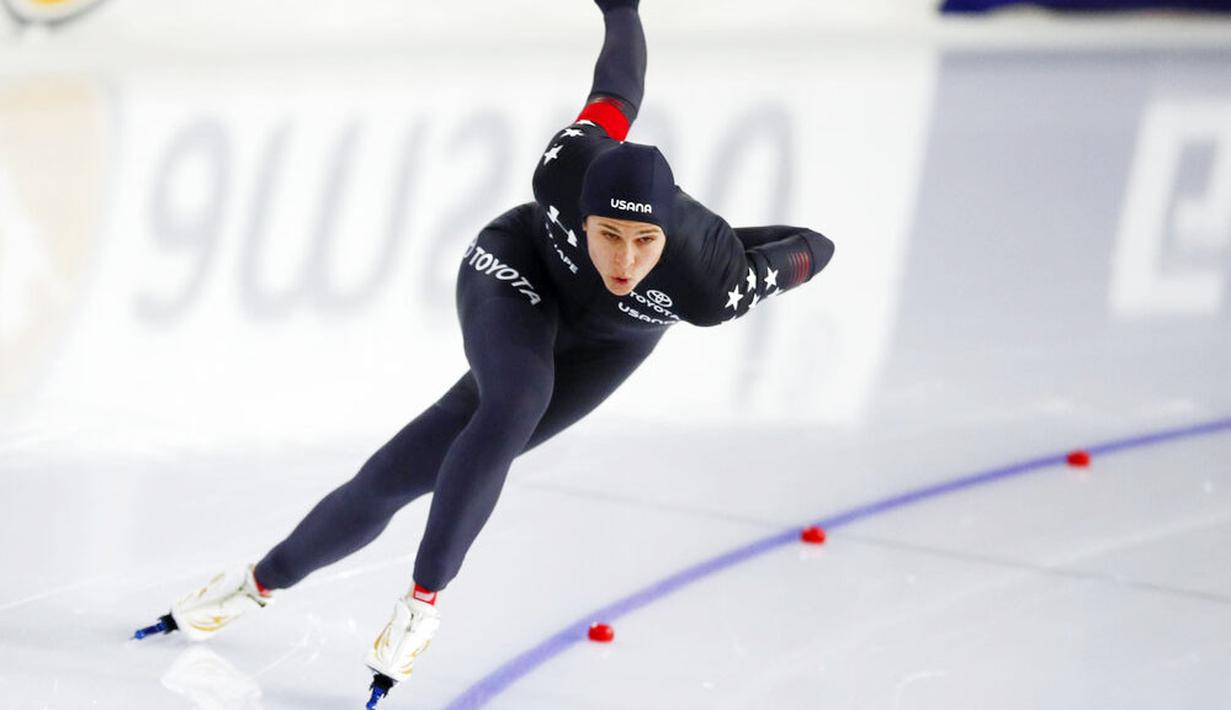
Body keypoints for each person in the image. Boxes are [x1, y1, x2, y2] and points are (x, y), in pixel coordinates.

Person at [149, 0, 834, 694]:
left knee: (399, 473)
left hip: (612, 343)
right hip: (520, 271)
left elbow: (816, 246)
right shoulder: (566, 167)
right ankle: (418, 606)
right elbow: (617, 88)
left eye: (644, 241)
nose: (623, 259)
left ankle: (257, 581)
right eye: (607, 234)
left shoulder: (714, 283)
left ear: (668, 236)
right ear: (580, 212)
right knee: (515, 400)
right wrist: (620, 8)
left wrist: (724, 250)